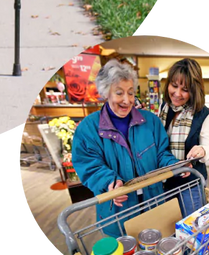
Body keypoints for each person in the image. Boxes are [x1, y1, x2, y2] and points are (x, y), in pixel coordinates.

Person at [71, 60, 178, 237]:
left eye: (130, 92)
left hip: (154, 202)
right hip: (118, 211)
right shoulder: (88, 129)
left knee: (157, 250)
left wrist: (175, 165)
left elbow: (161, 154)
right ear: (106, 92)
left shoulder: (150, 121)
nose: (127, 100)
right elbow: (89, 165)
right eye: (119, 93)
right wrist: (109, 182)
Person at [159, 58, 209, 217]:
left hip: (190, 184)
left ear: (194, 90)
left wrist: (201, 150)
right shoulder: (164, 107)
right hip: (166, 180)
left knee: (191, 225)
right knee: (169, 223)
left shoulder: (203, 115)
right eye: (174, 86)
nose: (177, 94)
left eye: (185, 89)